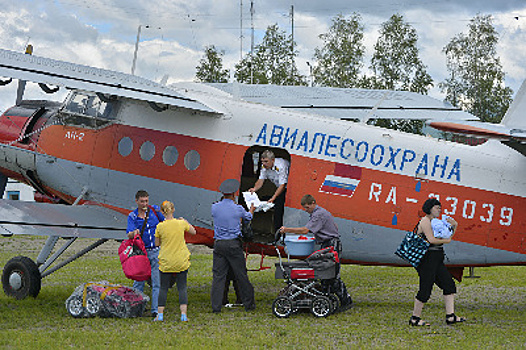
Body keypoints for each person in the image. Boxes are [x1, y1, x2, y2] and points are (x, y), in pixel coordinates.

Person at [279, 194, 352, 311]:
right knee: (325, 273)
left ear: (313, 203)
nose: (306, 210)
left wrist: (286, 230)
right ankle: (326, 298)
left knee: (331, 274)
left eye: (307, 207)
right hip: (328, 243)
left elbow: (305, 230)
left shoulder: (318, 214)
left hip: (331, 245)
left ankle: (346, 301)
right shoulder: (320, 213)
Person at [409, 197, 466, 326]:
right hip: (426, 260)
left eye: (440, 207)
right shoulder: (425, 221)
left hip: (437, 258)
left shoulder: (436, 222)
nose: (439, 209)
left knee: (449, 284)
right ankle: (414, 318)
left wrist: (454, 226)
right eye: (436, 207)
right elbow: (432, 239)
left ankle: (450, 316)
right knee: (425, 289)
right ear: (429, 208)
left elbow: (447, 236)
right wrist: (447, 241)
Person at [211, 179, 256, 313]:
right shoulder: (238, 208)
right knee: (241, 274)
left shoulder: (215, 207)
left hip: (219, 244)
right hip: (233, 244)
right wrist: (252, 209)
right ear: (234, 193)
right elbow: (248, 218)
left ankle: (216, 306)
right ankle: (249, 304)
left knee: (218, 276)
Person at [153, 200, 196, 322]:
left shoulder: (160, 226)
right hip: (180, 260)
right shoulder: (181, 223)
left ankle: (160, 315)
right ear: (174, 210)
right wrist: (186, 222)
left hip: (166, 261)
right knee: (182, 287)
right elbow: (193, 232)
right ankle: (183, 315)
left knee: (163, 288)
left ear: (162, 212)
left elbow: (157, 243)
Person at [126, 190, 165, 317]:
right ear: (136, 201)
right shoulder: (132, 216)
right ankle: (136, 308)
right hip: (141, 253)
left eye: (146, 201)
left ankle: (155, 310)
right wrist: (134, 233)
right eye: (142, 201)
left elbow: (165, 222)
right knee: (139, 281)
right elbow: (129, 234)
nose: (145, 204)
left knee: (156, 282)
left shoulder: (154, 211)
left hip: (155, 251)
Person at [248, 150, 289, 233]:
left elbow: (282, 185)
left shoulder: (281, 166)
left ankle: (278, 233)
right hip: (278, 187)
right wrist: (254, 189)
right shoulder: (264, 167)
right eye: (262, 161)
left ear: (273, 160)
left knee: (279, 209)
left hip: (287, 187)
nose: (264, 164)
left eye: (266, 161)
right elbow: (261, 180)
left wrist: (273, 198)